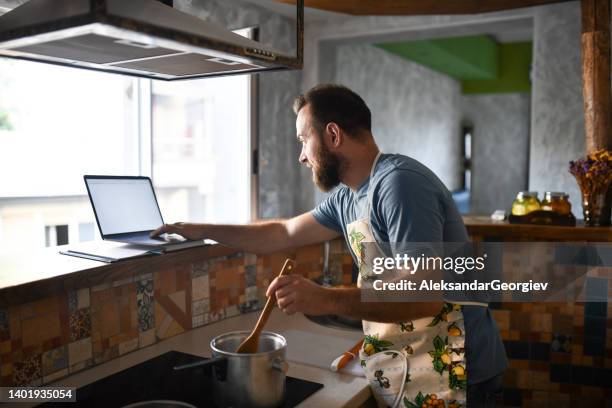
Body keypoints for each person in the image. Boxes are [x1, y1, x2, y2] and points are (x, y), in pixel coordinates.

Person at [152, 84, 507, 407]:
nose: (301, 156)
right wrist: (199, 228)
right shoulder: (348, 197)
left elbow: (421, 296)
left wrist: (323, 297)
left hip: (461, 374)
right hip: (415, 363)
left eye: (303, 140)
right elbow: (284, 233)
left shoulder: (399, 185)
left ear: (332, 134)